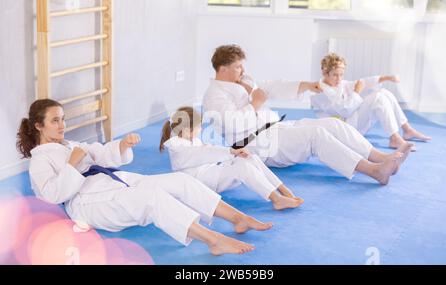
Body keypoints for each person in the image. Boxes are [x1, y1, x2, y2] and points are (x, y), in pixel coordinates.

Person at [17, 99, 274, 256]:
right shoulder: (40, 160)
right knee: (151, 197)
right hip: (88, 204)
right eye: (55, 121)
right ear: (39, 126)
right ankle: (213, 240)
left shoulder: (69, 144)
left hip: (113, 183)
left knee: (181, 181)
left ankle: (239, 218)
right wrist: (72, 167)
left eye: (63, 119)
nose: (62, 125)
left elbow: (101, 153)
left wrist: (123, 146)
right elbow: (50, 196)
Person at [202, 45, 413, 185]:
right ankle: (374, 171)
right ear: (222, 69)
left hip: (275, 127)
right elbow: (232, 125)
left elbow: (271, 87)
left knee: (331, 124)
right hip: (256, 143)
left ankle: (381, 157)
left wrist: (307, 86)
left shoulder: (242, 82)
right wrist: (255, 104)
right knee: (315, 135)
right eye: (238, 66)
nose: (242, 69)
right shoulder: (214, 95)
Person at [160, 106, 304, 211]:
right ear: (188, 130)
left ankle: (282, 189)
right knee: (242, 167)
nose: (201, 129)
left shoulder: (189, 140)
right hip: (203, 182)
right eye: (199, 127)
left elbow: (206, 150)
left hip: (210, 173)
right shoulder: (178, 148)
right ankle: (276, 199)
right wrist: (231, 151)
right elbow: (205, 152)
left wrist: (233, 154)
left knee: (249, 158)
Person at [310, 53, 431, 150]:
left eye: (341, 74)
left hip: (352, 123)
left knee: (384, 93)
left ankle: (407, 129)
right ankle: (394, 138)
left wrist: (387, 77)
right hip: (342, 132)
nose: (339, 79)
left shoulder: (340, 84)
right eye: (335, 75)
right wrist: (356, 92)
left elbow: (362, 82)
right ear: (325, 73)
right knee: (378, 98)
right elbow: (344, 111)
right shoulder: (319, 92)